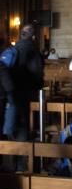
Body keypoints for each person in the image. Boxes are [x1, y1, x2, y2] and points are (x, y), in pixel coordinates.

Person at [9, 25, 44, 169]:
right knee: (26, 128)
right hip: (28, 94)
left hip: (13, 94)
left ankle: (13, 165)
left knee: (15, 128)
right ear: (33, 36)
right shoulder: (32, 50)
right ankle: (24, 167)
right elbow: (37, 73)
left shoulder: (14, 49)